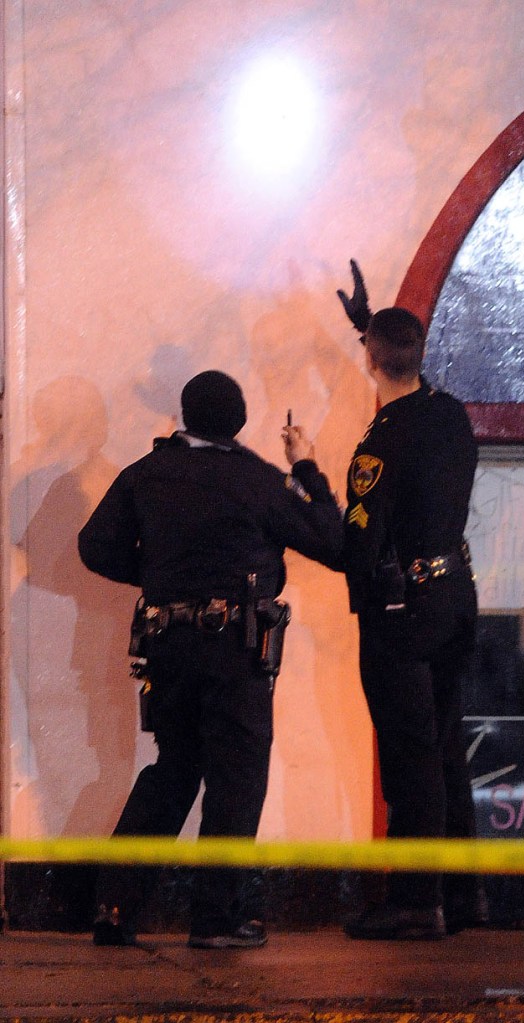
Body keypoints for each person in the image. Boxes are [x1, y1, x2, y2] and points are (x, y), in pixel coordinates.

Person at [78, 369, 341, 948]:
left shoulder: (145, 473)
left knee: (172, 769)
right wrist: (306, 468)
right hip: (235, 651)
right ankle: (214, 919)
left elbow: (93, 547)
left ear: (186, 416)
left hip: (166, 646)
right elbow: (336, 543)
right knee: (236, 779)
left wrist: (157, 577)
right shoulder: (257, 479)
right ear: (239, 422)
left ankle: (115, 906)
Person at [299, 267, 480, 940]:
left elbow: (355, 545)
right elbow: (409, 373)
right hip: (456, 598)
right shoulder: (450, 414)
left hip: (403, 614)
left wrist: (310, 482)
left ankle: (414, 902)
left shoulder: (379, 442)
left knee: (409, 758)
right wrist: (369, 326)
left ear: (371, 362)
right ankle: (462, 898)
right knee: (444, 747)